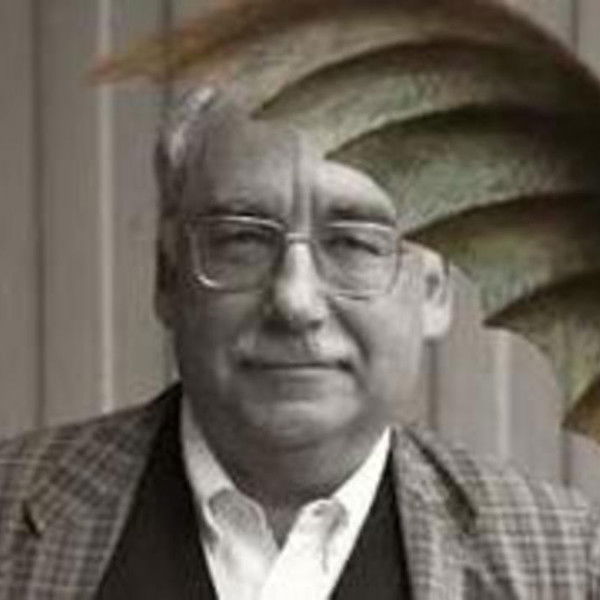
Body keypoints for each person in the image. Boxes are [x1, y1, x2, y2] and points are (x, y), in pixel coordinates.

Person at [0, 88, 598, 599]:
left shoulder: (572, 564)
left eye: (353, 242)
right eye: (241, 240)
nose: (295, 300)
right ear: (167, 275)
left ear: (434, 289)